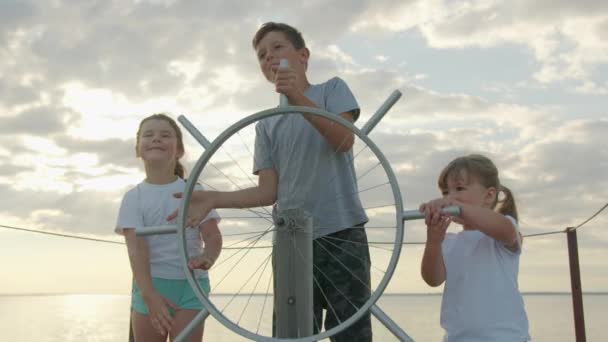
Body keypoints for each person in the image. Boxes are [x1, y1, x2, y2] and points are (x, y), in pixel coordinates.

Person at [168, 22, 372, 341]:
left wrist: (296, 96)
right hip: (289, 241)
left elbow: (344, 140)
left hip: (342, 232)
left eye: (278, 48)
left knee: (351, 333)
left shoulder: (332, 89)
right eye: (262, 56)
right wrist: (214, 199)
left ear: (303, 55)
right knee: (290, 333)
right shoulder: (267, 125)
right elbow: (268, 192)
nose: (269, 58)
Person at [116, 113, 222, 342]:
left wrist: (208, 257)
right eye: (148, 135)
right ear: (138, 149)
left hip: (192, 286)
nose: (156, 139)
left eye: (165, 135)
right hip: (151, 285)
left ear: (179, 150)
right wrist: (149, 295)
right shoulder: (133, 197)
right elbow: (136, 251)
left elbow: (212, 236)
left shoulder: (195, 191)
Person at [420, 154, 530, 341]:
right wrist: (433, 241)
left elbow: (505, 230)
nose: (450, 197)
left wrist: (458, 206)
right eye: (446, 192)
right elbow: (433, 279)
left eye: (459, 188)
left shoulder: (503, 229)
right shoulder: (449, 241)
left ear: (489, 196)